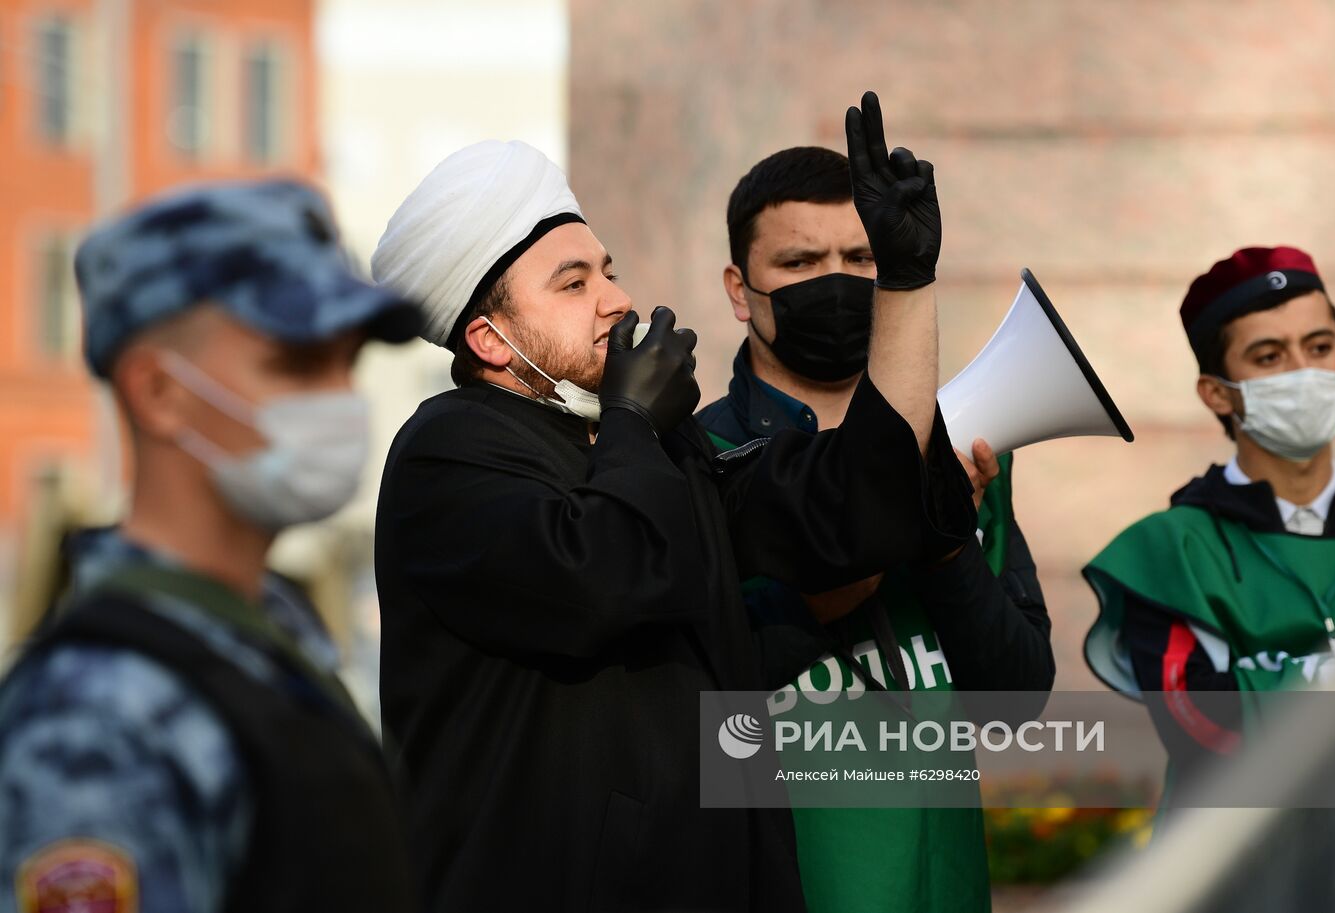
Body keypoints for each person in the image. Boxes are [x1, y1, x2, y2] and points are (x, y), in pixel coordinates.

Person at [370, 92, 978, 912]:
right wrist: (630, 419)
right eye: (574, 282)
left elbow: (853, 510)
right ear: (490, 338)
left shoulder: (654, 448)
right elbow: (602, 576)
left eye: (610, 271)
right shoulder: (448, 455)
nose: (616, 300)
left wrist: (905, 283)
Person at [0, 180, 422, 913]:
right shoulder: (99, 718)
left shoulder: (268, 632)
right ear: (160, 392)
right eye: (296, 363)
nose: (339, 398)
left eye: (345, 363)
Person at [696, 145, 1053, 913]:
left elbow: (1016, 701)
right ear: (739, 288)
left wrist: (946, 535)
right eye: (799, 261)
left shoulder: (967, 449)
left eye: (863, 256)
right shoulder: (692, 465)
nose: (838, 280)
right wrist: (843, 570)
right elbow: (679, 714)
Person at [1083, 246, 1335, 794]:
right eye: (1269, 357)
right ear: (1216, 393)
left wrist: (1272, 688)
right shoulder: (1169, 552)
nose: (1305, 373)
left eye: (1320, 347)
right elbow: (1206, 729)